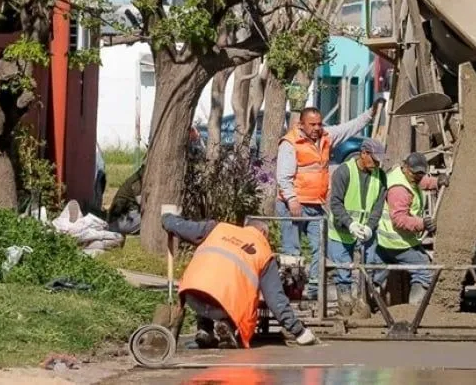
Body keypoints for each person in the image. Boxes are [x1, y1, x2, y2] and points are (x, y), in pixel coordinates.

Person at [160, 205, 318, 348]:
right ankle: (228, 325)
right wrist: (299, 331)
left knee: (208, 282)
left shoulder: (217, 229)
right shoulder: (263, 252)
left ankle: (204, 331)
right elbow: (275, 299)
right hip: (225, 306)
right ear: (263, 233)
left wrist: (168, 218)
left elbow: (182, 227)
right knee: (234, 292)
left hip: (192, 296)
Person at [275, 98, 385, 300]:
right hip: (292, 205)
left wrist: (370, 114)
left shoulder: (326, 137)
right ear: (301, 124)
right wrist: (291, 199)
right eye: (312, 124)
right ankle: (291, 292)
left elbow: (348, 128)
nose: (317, 128)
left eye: (319, 124)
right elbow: (283, 176)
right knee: (292, 252)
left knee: (320, 248)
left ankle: (315, 291)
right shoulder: (290, 143)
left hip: (315, 204)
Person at [326, 138, 388, 316]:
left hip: (366, 232)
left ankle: (364, 302)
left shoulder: (380, 175)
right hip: (341, 231)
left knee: (369, 269)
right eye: (374, 159)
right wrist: (350, 223)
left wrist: (370, 227)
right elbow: (336, 203)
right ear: (364, 153)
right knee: (344, 272)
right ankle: (345, 308)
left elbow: (378, 206)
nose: (377, 163)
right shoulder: (344, 172)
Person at [375, 152, 447, 305]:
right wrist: (423, 224)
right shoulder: (399, 190)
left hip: (386, 240)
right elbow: (399, 220)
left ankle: (365, 298)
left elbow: (420, 182)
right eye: (416, 173)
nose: (418, 177)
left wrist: (436, 182)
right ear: (406, 168)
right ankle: (415, 309)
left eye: (421, 173)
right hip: (398, 242)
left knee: (377, 273)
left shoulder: (404, 176)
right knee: (424, 270)